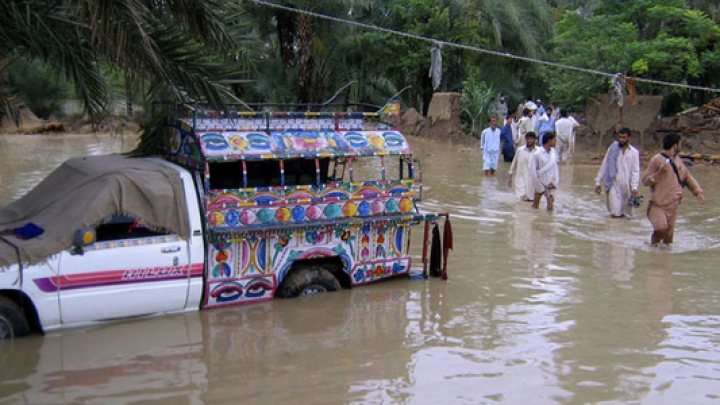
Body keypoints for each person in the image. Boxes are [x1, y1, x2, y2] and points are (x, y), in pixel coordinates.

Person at [642, 133, 705, 245]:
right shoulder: (657, 160)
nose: (681, 146)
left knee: (668, 239)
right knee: (661, 228)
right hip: (658, 205)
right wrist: (659, 173)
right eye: (680, 144)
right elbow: (645, 181)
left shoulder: (678, 161)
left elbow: (687, 178)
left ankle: (662, 259)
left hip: (673, 205)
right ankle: (652, 246)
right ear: (675, 145)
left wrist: (698, 192)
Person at [594, 127, 641, 218]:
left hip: (627, 186)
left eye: (624, 137)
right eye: (620, 137)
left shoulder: (634, 152)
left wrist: (634, 187)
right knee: (615, 212)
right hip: (613, 184)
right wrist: (598, 182)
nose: (621, 140)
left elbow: (635, 171)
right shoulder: (612, 150)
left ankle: (622, 231)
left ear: (628, 138)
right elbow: (605, 165)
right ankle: (613, 230)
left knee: (625, 213)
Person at [530, 132, 559, 211]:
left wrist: (555, 183)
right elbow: (533, 171)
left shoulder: (553, 153)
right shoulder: (537, 154)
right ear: (549, 141)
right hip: (540, 182)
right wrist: (539, 185)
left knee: (550, 207)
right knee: (535, 206)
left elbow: (555, 169)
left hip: (550, 183)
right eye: (553, 140)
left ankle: (549, 222)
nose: (555, 142)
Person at [508, 131, 539, 201]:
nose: (529, 141)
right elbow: (514, 163)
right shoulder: (520, 150)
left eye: (531, 139)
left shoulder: (539, 152)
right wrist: (510, 176)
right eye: (528, 139)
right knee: (519, 200)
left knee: (531, 200)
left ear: (535, 140)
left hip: (533, 181)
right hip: (520, 180)